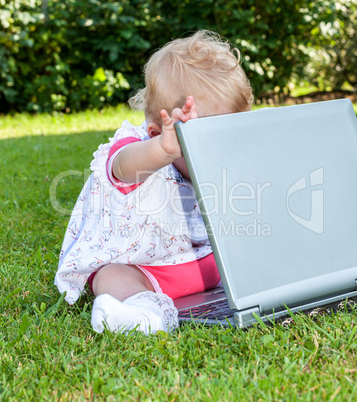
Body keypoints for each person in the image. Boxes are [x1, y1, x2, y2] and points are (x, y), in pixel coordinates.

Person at [54, 30, 253, 335]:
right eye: (207, 143)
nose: (223, 154)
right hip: (146, 269)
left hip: (205, 264)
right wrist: (162, 152)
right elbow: (123, 167)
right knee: (109, 276)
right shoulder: (139, 150)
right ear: (159, 134)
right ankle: (142, 313)